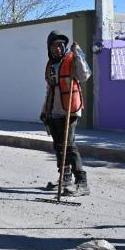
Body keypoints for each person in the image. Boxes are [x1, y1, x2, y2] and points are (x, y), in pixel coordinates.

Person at [40, 31, 92, 196]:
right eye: (55, 45)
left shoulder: (71, 60)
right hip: (54, 111)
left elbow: (84, 76)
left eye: (61, 45)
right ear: (49, 48)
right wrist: (44, 111)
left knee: (69, 146)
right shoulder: (50, 65)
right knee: (58, 146)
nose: (58, 48)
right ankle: (65, 178)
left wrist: (79, 55)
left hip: (70, 110)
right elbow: (49, 89)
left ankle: (82, 183)